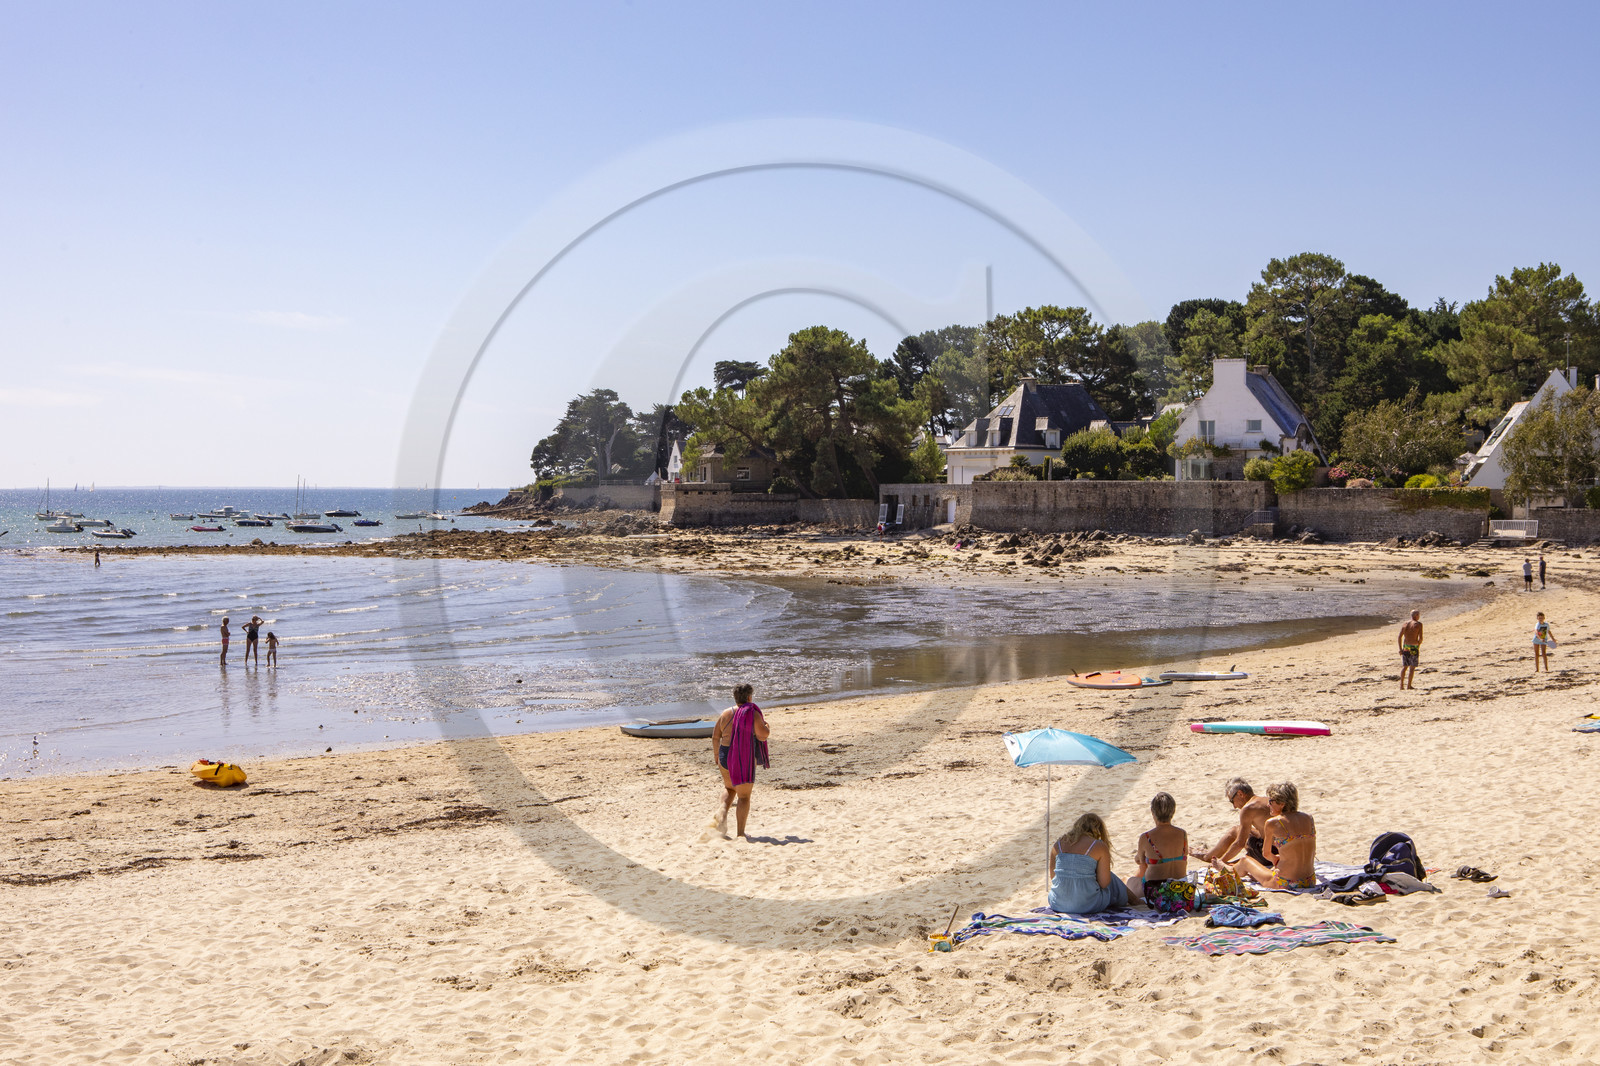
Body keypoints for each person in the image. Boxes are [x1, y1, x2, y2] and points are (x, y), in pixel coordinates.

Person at [1230, 781, 1317, 890]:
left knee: (1244, 861)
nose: (1268, 804)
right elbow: (1309, 850)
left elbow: (1266, 854)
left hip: (1285, 882)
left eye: (1271, 801)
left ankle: (1226, 869)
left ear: (1282, 804)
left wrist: (1275, 858)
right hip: (1309, 881)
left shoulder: (1273, 823)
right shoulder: (1309, 818)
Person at [710, 683, 769, 840]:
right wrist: (767, 727)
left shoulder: (725, 713)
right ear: (749, 697)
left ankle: (722, 813)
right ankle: (741, 833)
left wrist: (716, 754)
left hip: (724, 754)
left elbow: (716, 736)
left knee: (729, 788)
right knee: (743, 796)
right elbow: (763, 734)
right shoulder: (751, 713)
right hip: (740, 756)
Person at [1047, 812, 1129, 914]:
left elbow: (1053, 877)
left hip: (1057, 903)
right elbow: (1104, 883)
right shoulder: (1098, 845)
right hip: (1087, 905)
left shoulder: (1058, 844)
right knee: (1111, 878)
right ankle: (1133, 900)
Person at [1126, 792, 1189, 910]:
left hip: (1155, 892)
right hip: (1180, 889)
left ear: (1153, 812)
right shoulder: (1183, 834)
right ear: (1173, 812)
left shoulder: (1146, 837)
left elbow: (1140, 861)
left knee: (1129, 880)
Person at [1191, 778, 1272, 866]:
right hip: (1279, 849)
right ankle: (1210, 855)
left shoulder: (1248, 808)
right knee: (1242, 830)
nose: (1234, 806)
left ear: (1240, 794)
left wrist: (1220, 862)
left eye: (1232, 801)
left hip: (1267, 854)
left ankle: (1208, 857)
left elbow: (1239, 844)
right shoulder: (1265, 800)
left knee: (1235, 830)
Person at [1398, 610, 1422, 690]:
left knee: (1405, 667)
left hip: (1406, 647)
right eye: (1418, 615)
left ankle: (1401, 685)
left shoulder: (1405, 624)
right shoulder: (1418, 624)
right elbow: (1421, 638)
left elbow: (1399, 637)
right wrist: (1418, 645)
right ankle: (1409, 685)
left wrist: (1400, 649)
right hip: (1413, 647)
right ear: (1416, 615)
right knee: (1412, 668)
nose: (1419, 616)